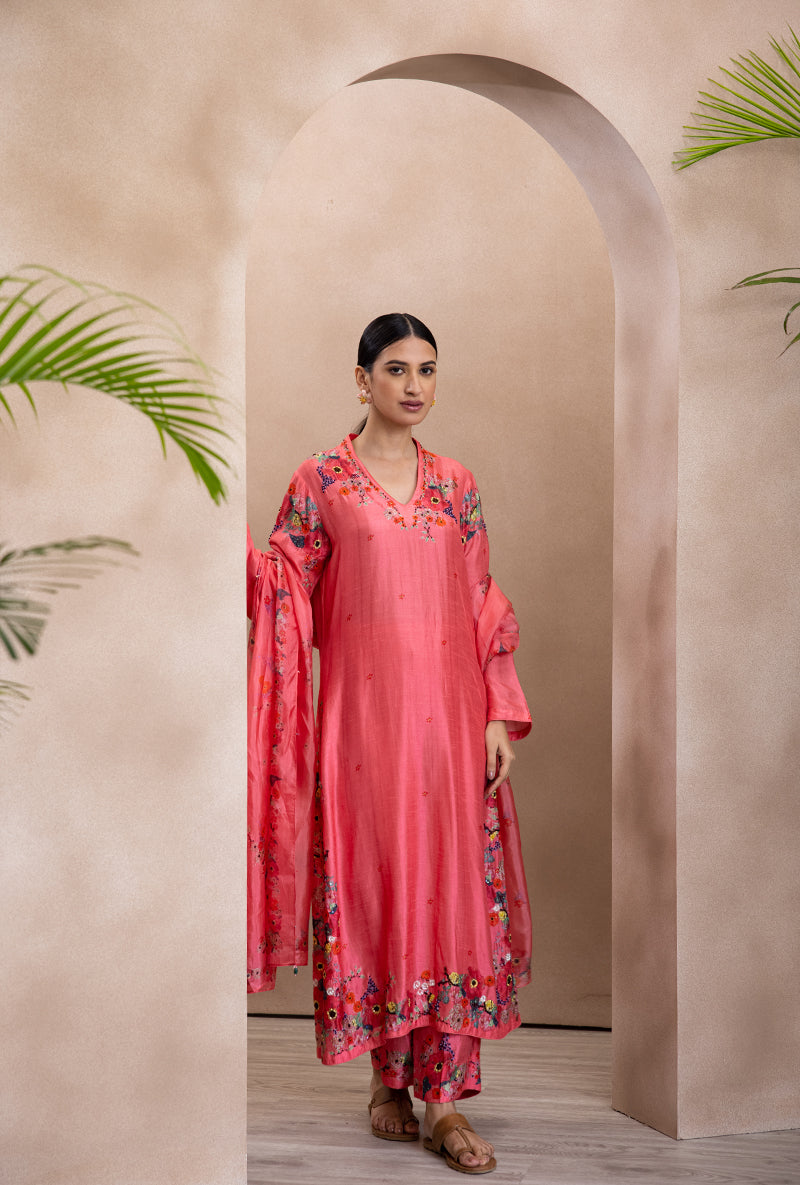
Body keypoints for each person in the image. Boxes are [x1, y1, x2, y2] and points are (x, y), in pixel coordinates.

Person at [247, 313, 532, 1175]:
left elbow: (481, 601)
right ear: (362, 378)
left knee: (449, 895)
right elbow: (284, 589)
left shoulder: (456, 484)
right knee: (378, 889)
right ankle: (387, 1082)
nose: (414, 385)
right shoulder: (321, 480)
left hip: (450, 725)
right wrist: (212, 534)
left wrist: (497, 713)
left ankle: (444, 1102)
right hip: (362, 731)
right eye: (398, 368)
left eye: (428, 370)